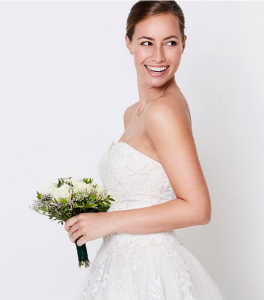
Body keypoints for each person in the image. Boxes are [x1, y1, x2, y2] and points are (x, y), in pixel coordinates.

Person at [64, 1, 226, 299]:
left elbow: (198, 208)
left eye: (170, 43)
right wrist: (92, 214)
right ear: (129, 43)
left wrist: (107, 222)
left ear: (184, 44)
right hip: (121, 265)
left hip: (150, 267)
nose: (158, 56)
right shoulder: (134, 113)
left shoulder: (162, 112)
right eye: (146, 42)